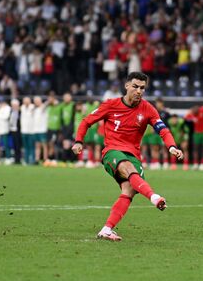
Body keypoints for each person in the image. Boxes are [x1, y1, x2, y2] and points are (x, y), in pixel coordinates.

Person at [72, 72, 183, 241]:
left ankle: (107, 229)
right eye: (135, 87)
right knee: (128, 168)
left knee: (129, 191)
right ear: (126, 86)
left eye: (142, 88)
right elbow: (86, 121)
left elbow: (163, 130)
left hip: (134, 155)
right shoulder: (110, 105)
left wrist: (172, 146)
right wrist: (79, 141)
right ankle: (154, 197)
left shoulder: (148, 109)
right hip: (112, 152)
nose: (139, 91)